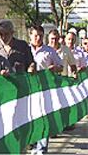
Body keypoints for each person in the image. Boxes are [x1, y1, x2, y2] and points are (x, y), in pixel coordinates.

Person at [29, 25, 63, 155]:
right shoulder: (25, 50)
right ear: (30, 35)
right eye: (35, 35)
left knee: (43, 119)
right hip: (28, 91)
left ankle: (41, 149)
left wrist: (55, 68)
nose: (38, 38)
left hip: (45, 90)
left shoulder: (49, 51)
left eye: (41, 36)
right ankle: (33, 145)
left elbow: (60, 66)